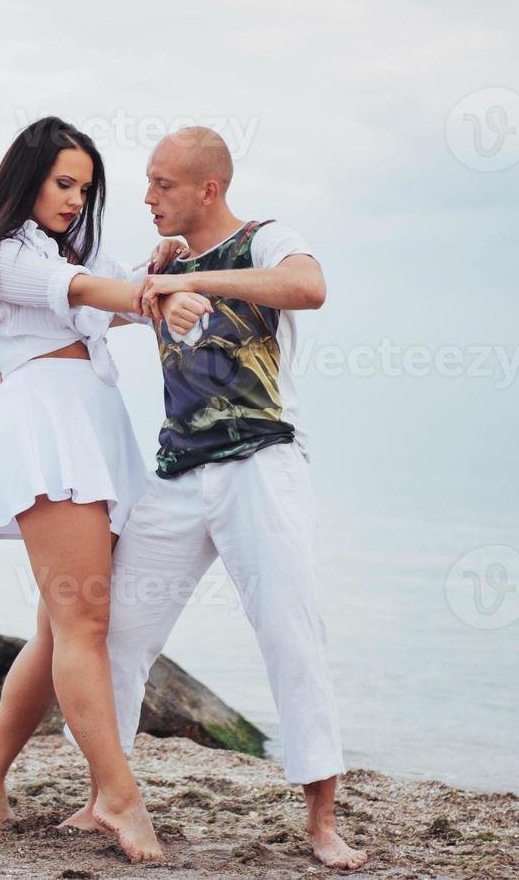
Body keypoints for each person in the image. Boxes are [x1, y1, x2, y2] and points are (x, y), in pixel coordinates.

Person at [97, 126, 369, 871]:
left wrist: (196, 281)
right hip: (177, 473)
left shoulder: (263, 237)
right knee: (117, 636)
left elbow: (308, 288)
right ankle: (106, 794)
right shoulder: (161, 263)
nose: (147, 198)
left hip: (260, 465)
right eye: (147, 183)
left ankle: (320, 821)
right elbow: (94, 308)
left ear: (207, 189)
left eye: (162, 185)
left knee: (290, 635)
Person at [0, 116, 208, 864]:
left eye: (85, 188)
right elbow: (91, 290)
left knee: (60, 628)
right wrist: (154, 292)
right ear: (24, 175)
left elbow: (106, 287)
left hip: (94, 427)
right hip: (50, 433)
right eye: (64, 182)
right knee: (83, 626)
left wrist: (158, 268)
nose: (74, 199)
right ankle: (118, 797)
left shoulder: (63, 249)